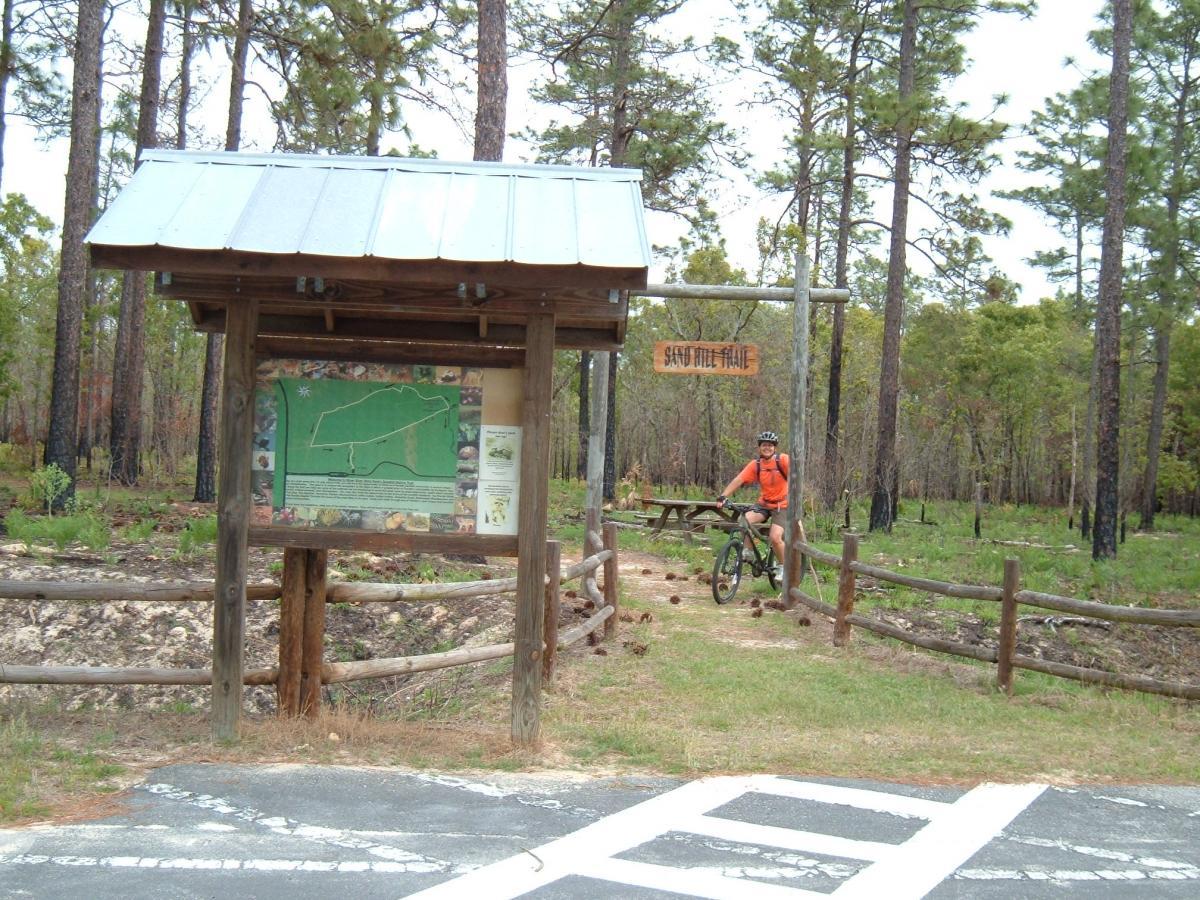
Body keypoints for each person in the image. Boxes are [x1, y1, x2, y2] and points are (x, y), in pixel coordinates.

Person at [716, 431, 789, 577]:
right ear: (759, 447)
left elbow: (795, 477)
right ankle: (749, 551)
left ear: (775, 447)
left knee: (775, 538)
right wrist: (723, 496)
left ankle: (783, 567)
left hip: (783, 505)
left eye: (770, 445)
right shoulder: (756, 465)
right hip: (764, 504)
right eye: (764, 445)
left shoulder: (783, 460)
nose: (767, 448)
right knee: (744, 521)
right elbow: (739, 479)